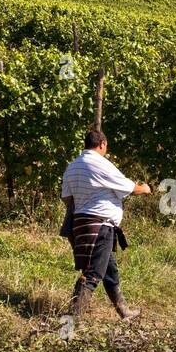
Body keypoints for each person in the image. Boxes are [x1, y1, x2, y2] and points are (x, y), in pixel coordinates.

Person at [60, 128, 151, 323]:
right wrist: (144, 189)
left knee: (109, 270)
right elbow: (130, 188)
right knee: (92, 275)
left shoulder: (72, 166)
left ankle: (124, 312)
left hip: (81, 225)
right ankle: (67, 328)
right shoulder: (101, 164)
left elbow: (67, 198)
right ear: (102, 144)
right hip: (100, 226)